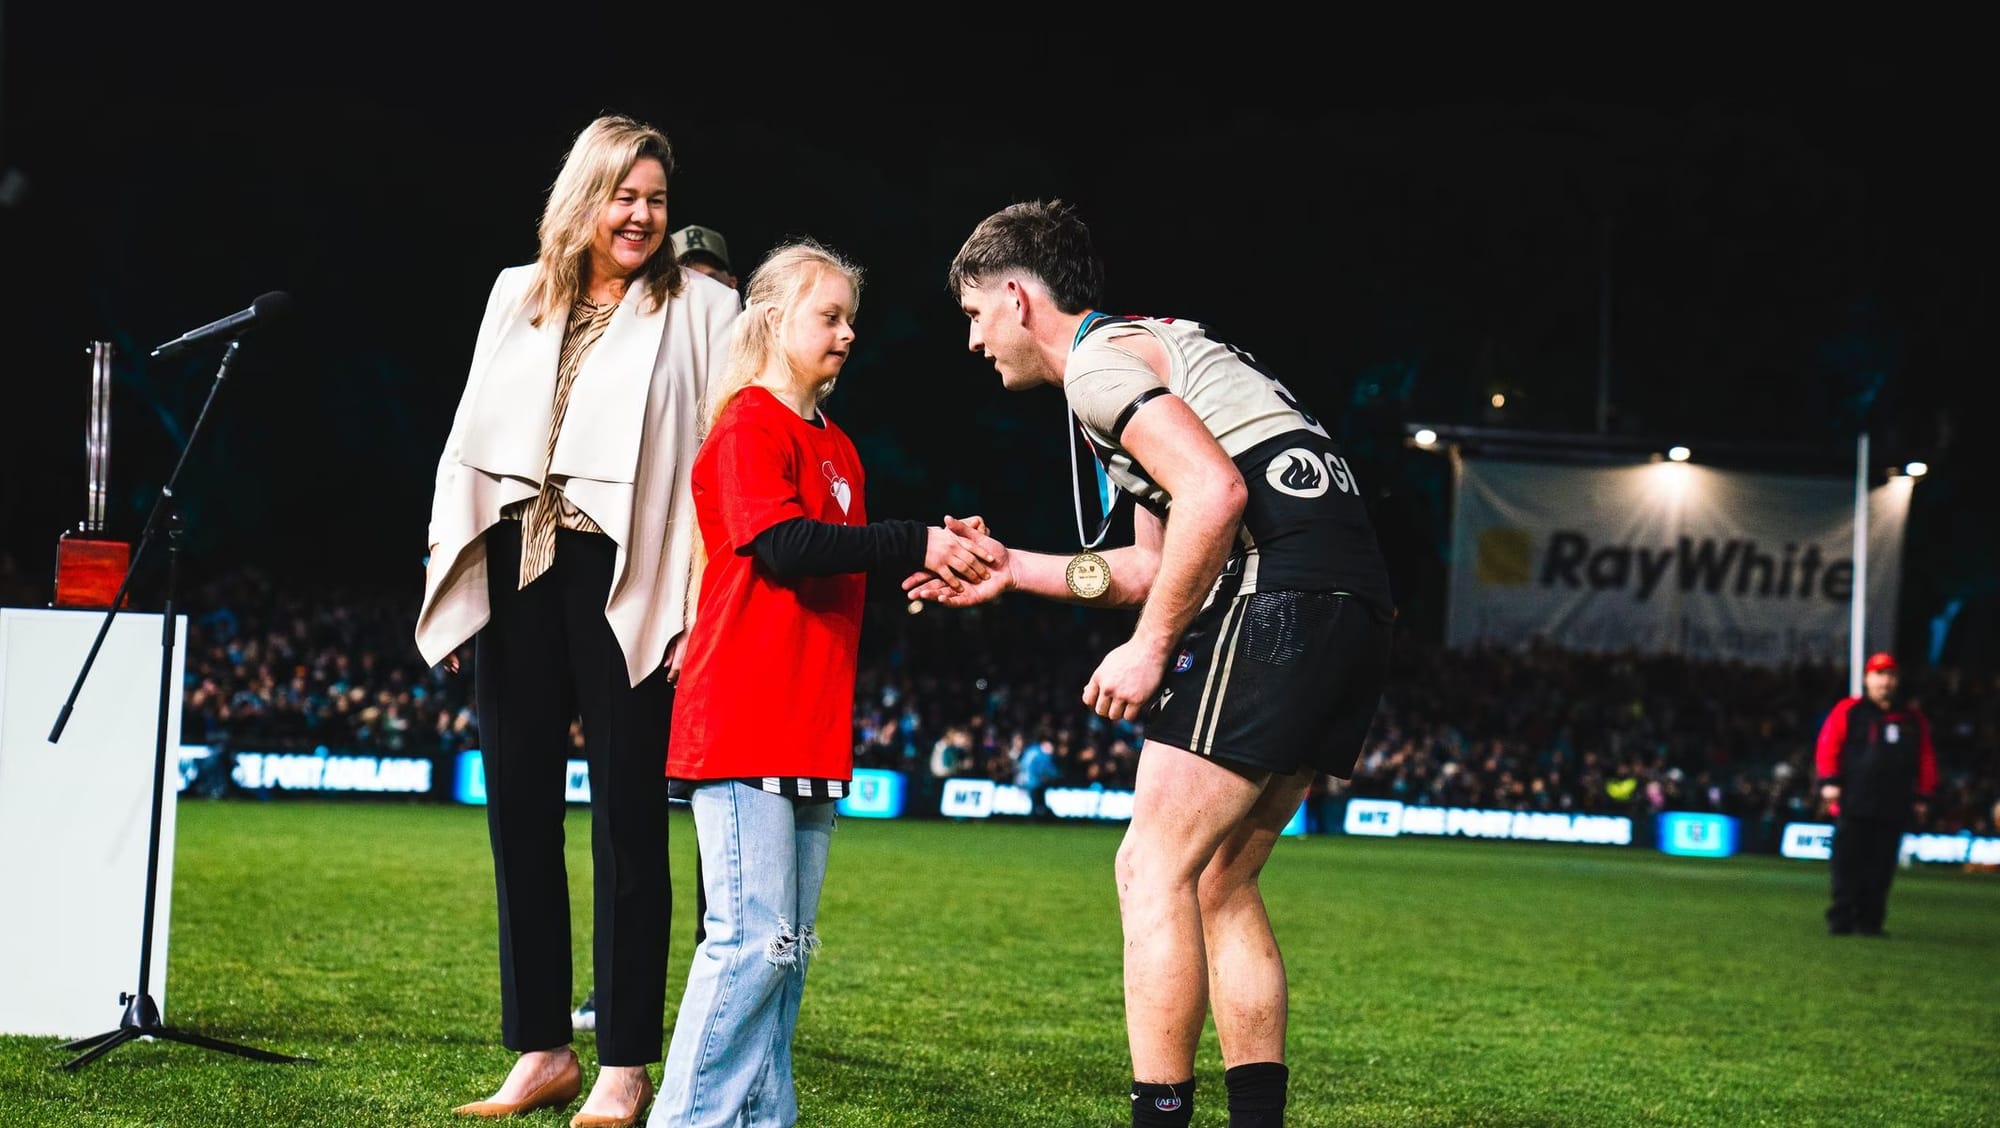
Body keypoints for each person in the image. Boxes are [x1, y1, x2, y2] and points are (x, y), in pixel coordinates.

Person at [911, 198, 1397, 1128]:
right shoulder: (1147, 350)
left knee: (1151, 867)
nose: (974, 342)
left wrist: (1150, 650)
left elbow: (1215, 496)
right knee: (1222, 880)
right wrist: (1013, 569)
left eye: (974, 315)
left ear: (1017, 298)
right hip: (1354, 601)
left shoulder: (1096, 367)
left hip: (1278, 590)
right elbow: (1142, 567)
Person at [415, 113, 739, 1127]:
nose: (639, 215)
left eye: (655, 199)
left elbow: (714, 448)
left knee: (630, 823)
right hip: (515, 556)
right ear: (584, 196)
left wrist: (695, 598)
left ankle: (625, 1064)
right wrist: (448, 557)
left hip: (623, 568)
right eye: (622, 195)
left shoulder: (699, 303)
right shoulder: (516, 292)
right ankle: (543, 1049)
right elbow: (468, 431)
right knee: (517, 809)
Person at [649, 239, 992, 1127]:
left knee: (787, 951)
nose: (846, 334)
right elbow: (785, 546)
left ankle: (767, 1118)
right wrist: (910, 541)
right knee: (751, 946)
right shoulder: (746, 424)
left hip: (809, 723)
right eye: (828, 316)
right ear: (771, 320)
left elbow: (843, 560)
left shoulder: (837, 445)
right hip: (740, 719)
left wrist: (931, 565)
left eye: (851, 319)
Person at [575, 221, 743, 1038]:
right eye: (689, 277)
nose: (699, 294)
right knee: (629, 812)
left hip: (718, 625)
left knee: (724, 820)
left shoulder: (748, 389)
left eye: (715, 279)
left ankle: (723, 987)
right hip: (651, 611)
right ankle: (617, 994)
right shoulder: (645, 372)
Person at [1815, 651, 1937, 938]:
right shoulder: (1850, 711)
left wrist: (1924, 795)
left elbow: (1926, 758)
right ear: (1867, 679)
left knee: (1881, 867)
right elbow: (1828, 744)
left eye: (1890, 675)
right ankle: (1841, 918)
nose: (1885, 681)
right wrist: (1829, 782)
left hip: (1894, 803)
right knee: (1848, 863)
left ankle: (1870, 921)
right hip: (1854, 801)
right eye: (1880, 675)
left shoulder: (1911, 718)